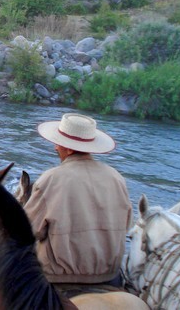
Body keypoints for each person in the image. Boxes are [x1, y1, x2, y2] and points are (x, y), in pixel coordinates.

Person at [23, 113, 132, 294]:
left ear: (69, 148)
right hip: (110, 277)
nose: (55, 147)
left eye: (57, 143)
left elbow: (26, 231)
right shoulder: (116, 178)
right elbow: (127, 225)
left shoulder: (52, 179)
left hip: (58, 280)